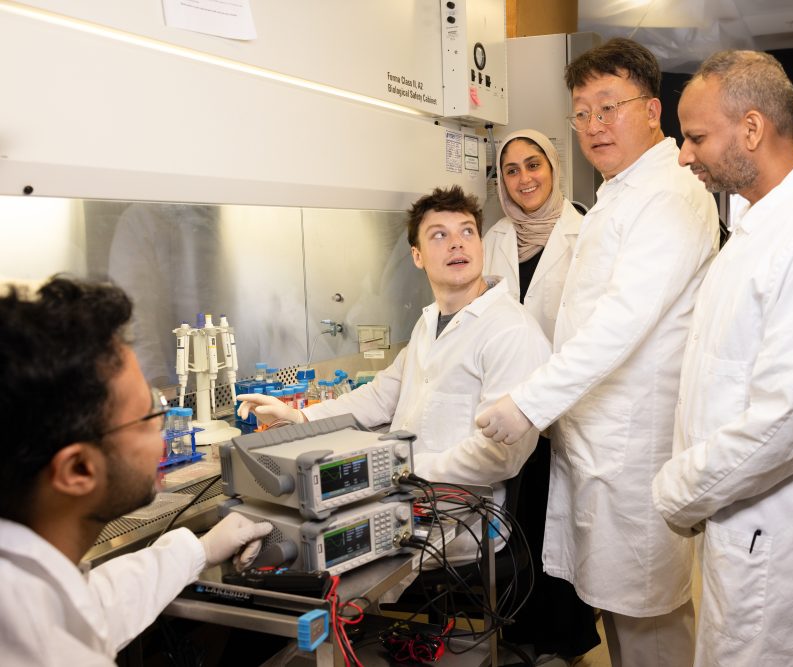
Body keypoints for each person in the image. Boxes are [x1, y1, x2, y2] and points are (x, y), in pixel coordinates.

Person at [476, 38, 719, 666]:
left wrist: (527, 403)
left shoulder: (668, 195)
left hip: (632, 449)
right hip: (596, 440)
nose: (593, 126)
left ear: (652, 110)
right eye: (581, 113)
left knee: (648, 614)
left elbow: (618, 326)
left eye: (608, 107)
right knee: (620, 606)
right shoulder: (619, 189)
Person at [652, 50, 793, 666]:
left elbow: (789, 422)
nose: (684, 155)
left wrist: (677, 489)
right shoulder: (759, 232)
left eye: (695, 137)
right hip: (745, 535)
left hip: (781, 555)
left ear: (751, 129)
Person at [237, 185, 551, 560]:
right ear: (417, 256)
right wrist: (300, 416)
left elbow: (502, 456)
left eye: (467, 231)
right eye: (440, 235)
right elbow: (382, 395)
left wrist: (401, 469)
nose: (457, 244)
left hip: (462, 517)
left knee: (319, 564)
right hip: (409, 500)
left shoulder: (510, 331)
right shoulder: (430, 322)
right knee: (286, 535)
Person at [0, 276, 273, 666]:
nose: (164, 433)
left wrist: (200, 549)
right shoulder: (41, 651)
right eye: (150, 415)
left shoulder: (24, 591)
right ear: (78, 469)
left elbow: (94, 606)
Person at [481, 129, 600, 660]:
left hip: (562, 409)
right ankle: (518, 635)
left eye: (534, 165)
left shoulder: (586, 233)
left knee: (562, 528)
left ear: (553, 169)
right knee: (518, 527)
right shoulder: (493, 239)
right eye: (512, 170)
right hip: (506, 410)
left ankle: (565, 638)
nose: (524, 178)